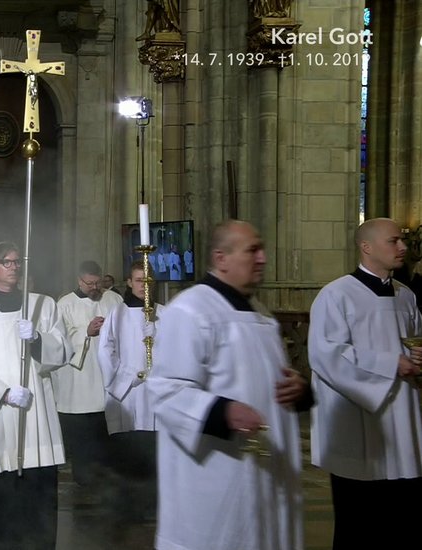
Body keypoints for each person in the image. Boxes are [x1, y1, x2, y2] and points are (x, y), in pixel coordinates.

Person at [147, 220, 310, 550]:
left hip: (266, 469)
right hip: (218, 470)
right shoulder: (190, 309)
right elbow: (165, 390)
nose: (263, 258)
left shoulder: (261, 313)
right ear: (221, 258)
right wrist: (222, 410)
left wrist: (300, 390)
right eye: (253, 250)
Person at [308, 217, 422, 550]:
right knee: (360, 527)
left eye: (402, 241)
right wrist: (389, 364)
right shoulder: (336, 295)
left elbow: (414, 341)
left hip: (406, 423)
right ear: (366, 246)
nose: (403, 247)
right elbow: (326, 355)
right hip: (360, 426)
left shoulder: (405, 296)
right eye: (394, 241)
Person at [0, 241, 71, 550]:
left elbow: (63, 351)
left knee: (36, 502)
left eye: (16, 262)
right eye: (6, 262)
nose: (13, 267)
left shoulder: (43, 306)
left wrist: (37, 339)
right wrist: (4, 393)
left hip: (36, 415)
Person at [96, 261, 161, 526]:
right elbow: (104, 350)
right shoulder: (116, 314)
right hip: (127, 393)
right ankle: (127, 507)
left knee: (153, 454)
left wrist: (160, 335)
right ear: (129, 282)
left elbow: (178, 352)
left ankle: (151, 505)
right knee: (127, 453)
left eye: (147, 281)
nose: (143, 286)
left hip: (155, 395)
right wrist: (125, 378)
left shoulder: (165, 315)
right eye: (138, 280)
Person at [51, 261, 123, 485]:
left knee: (106, 428)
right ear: (79, 281)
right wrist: (86, 331)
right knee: (82, 432)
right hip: (79, 380)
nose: (94, 288)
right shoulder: (65, 304)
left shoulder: (113, 299)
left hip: (107, 375)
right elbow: (58, 341)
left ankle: (106, 473)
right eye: (89, 283)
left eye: (97, 283)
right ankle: (83, 476)